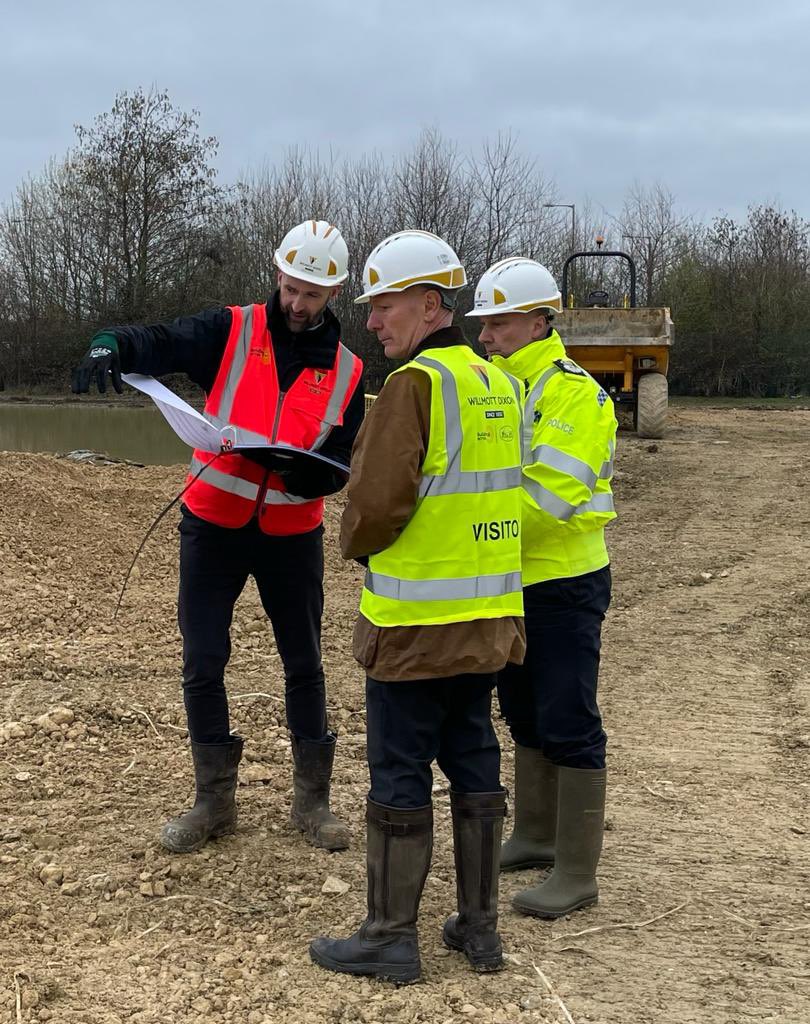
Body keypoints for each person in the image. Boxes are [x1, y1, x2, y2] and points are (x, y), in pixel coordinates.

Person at [71, 219, 365, 855]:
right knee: (203, 659)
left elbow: (340, 464)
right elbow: (161, 341)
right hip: (212, 525)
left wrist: (300, 470)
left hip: (292, 533)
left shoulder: (347, 372)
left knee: (304, 662)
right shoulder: (232, 329)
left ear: (333, 295)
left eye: (311, 295)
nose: (296, 303)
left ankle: (313, 801)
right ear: (277, 275)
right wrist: (110, 345)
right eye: (290, 288)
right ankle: (214, 799)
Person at [308, 230, 525, 984]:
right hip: (489, 619)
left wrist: (358, 546)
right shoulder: (498, 382)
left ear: (430, 305)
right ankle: (480, 928)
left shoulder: (414, 386)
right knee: (473, 756)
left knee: (398, 770)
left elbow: (373, 504)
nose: (373, 322)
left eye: (386, 305)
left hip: (414, 625)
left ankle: (389, 937)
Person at [466, 257, 616, 918]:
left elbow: (551, 495)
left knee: (567, 716)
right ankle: (534, 834)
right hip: (513, 579)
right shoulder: (494, 384)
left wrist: (466, 536)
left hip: (564, 580)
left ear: (537, 319)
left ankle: (577, 872)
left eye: (498, 321)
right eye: (484, 323)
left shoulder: (571, 392)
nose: (486, 334)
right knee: (522, 708)